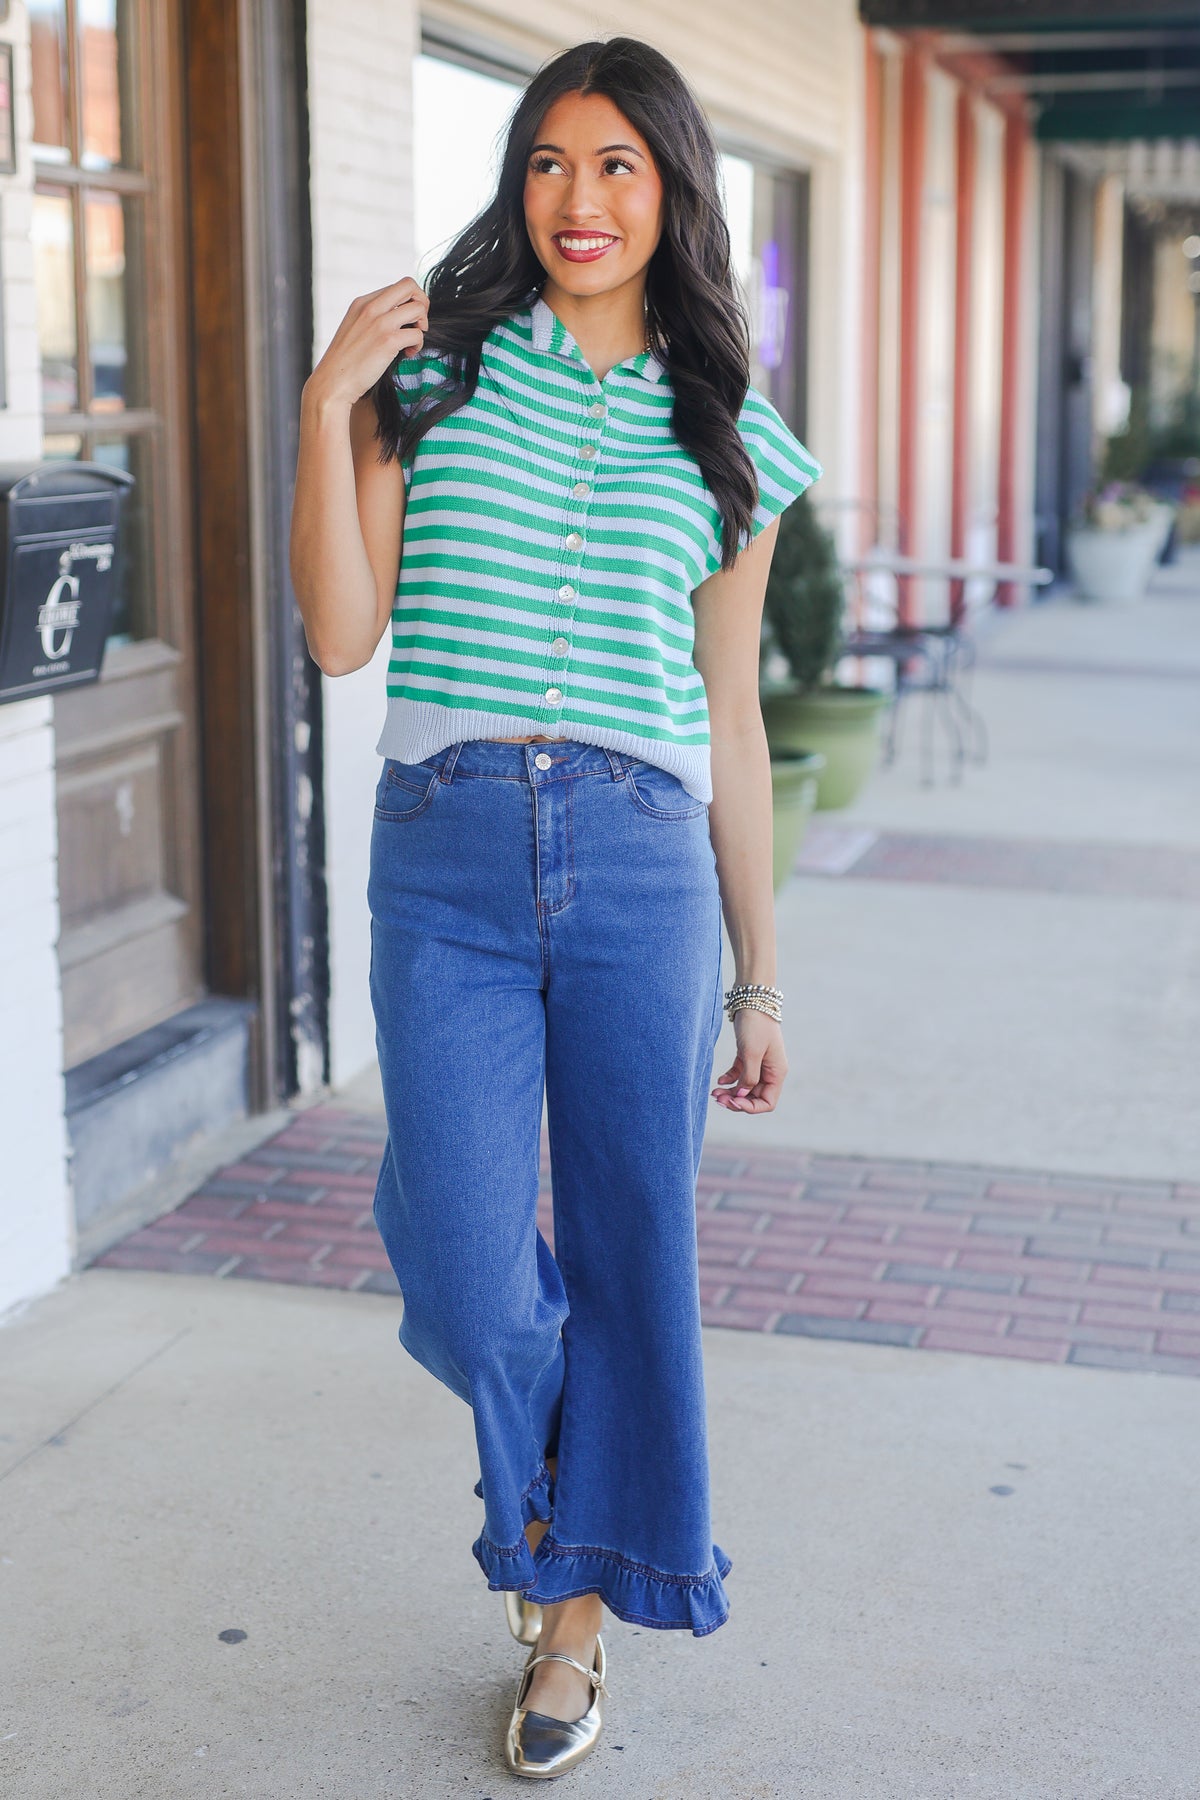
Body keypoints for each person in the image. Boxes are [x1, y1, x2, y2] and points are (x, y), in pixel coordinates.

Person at [289, 34, 821, 1781]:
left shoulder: (729, 432)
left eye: (615, 167)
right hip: (441, 846)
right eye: (546, 163)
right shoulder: (431, 372)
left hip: (646, 854)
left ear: (672, 193)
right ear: (516, 184)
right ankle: (563, 1527)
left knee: (629, 1254)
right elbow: (340, 635)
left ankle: (571, 1626)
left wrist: (758, 977)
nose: (576, 201)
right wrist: (322, 406)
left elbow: (732, 716)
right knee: (456, 1257)